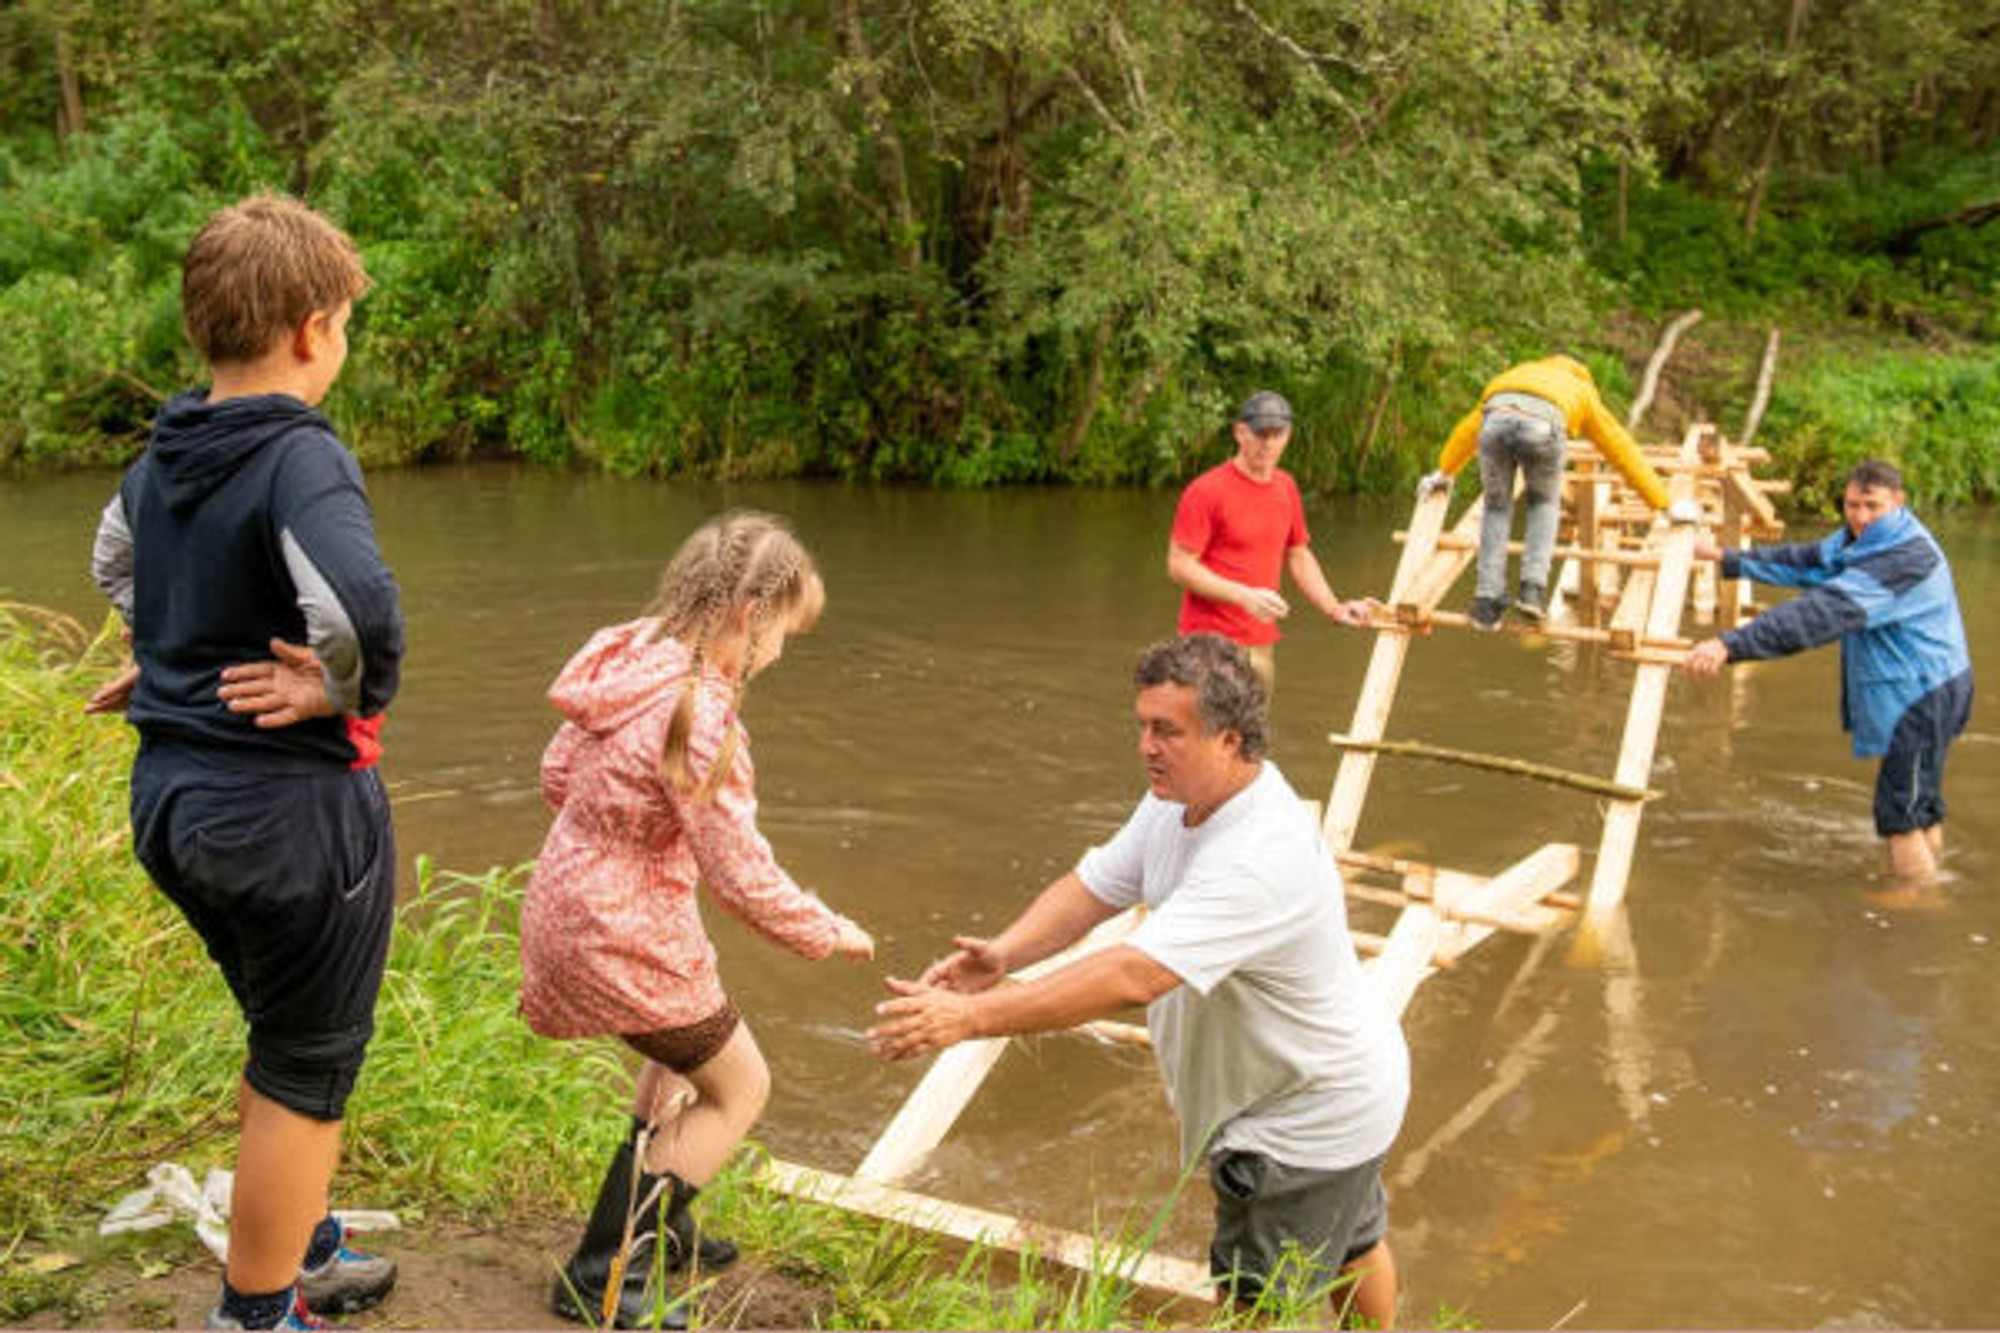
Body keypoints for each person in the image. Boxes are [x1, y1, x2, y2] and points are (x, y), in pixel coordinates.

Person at [870, 634, 1408, 1325]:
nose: (1147, 745)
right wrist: (1003, 954)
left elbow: (1134, 973)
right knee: (1354, 1240)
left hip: (1301, 1117)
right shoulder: (1175, 798)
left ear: (1231, 739)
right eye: (1143, 726)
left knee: (1250, 1302)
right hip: (1339, 1079)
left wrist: (972, 1018)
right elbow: (1096, 885)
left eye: (1168, 730)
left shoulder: (1258, 855)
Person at [85, 193, 405, 1331]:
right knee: (304, 1070)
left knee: (283, 1040)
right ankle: (260, 1310)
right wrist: (345, 685)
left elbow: (115, 557)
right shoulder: (298, 454)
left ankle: (302, 1236)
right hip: (284, 818)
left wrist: (173, 651)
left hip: (172, 802)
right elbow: (360, 607)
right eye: (346, 327)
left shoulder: (166, 447)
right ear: (314, 329)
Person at [518, 511, 877, 1330]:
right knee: (743, 1085)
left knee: (681, 1055)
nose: (785, 651)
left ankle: (665, 1224)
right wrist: (827, 929)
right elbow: (740, 874)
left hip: (565, 900)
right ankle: (604, 1275)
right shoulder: (703, 718)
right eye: (788, 630)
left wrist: (616, 838)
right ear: (752, 615)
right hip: (620, 932)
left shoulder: (633, 663)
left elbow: (556, 773)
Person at [1683, 459, 1972, 881]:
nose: (1860, 517)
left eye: (1872, 506)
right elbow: (1805, 560)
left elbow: (1821, 614)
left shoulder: (1903, 558)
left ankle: (1913, 902)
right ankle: (1930, 877)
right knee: (1920, 801)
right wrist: (1728, 559)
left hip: (1920, 697)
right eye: (1852, 505)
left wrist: (1731, 644)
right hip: (1936, 684)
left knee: (1899, 813)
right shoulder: (1866, 540)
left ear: (1899, 502)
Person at [1417, 355, 1697, 629]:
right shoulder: (1582, 391)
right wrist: (1664, 504)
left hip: (1495, 422)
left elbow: (1468, 431)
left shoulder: (1517, 375)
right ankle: (1532, 592)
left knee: (1496, 508)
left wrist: (1443, 473)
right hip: (1544, 427)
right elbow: (1620, 450)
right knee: (1543, 505)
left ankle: (1486, 602)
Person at [1168, 391, 1379, 696]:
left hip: (1261, 647)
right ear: (1240, 432)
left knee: (1252, 741)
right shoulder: (1206, 491)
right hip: (1207, 648)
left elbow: (1298, 555)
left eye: (1276, 435)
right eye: (1260, 434)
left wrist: (1334, 608)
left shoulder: (1286, 487)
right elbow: (1179, 565)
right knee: (1207, 740)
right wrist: (1243, 596)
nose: (1268, 444)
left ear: (1288, 436)